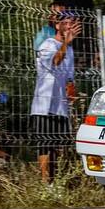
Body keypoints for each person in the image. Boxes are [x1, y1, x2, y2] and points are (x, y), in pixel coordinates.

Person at [30, 12, 81, 182]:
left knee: (58, 146)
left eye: (72, 23)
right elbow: (55, 61)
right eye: (65, 23)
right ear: (57, 26)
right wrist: (66, 43)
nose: (69, 26)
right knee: (45, 145)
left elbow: (69, 77)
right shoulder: (47, 44)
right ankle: (46, 184)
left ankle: (56, 182)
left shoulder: (70, 50)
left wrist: (71, 89)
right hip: (44, 105)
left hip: (61, 106)